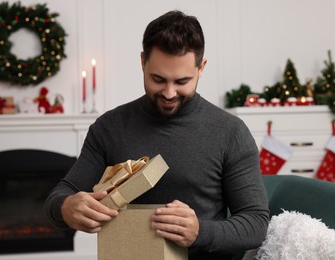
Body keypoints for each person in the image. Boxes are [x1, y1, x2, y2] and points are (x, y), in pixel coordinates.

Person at [45, 10, 269, 259]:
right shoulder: (109, 127)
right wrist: (66, 207)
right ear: (143, 62)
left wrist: (200, 232)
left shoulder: (230, 132)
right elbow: (59, 196)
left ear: (201, 68)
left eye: (182, 81)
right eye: (158, 79)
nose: (170, 93)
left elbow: (256, 224)